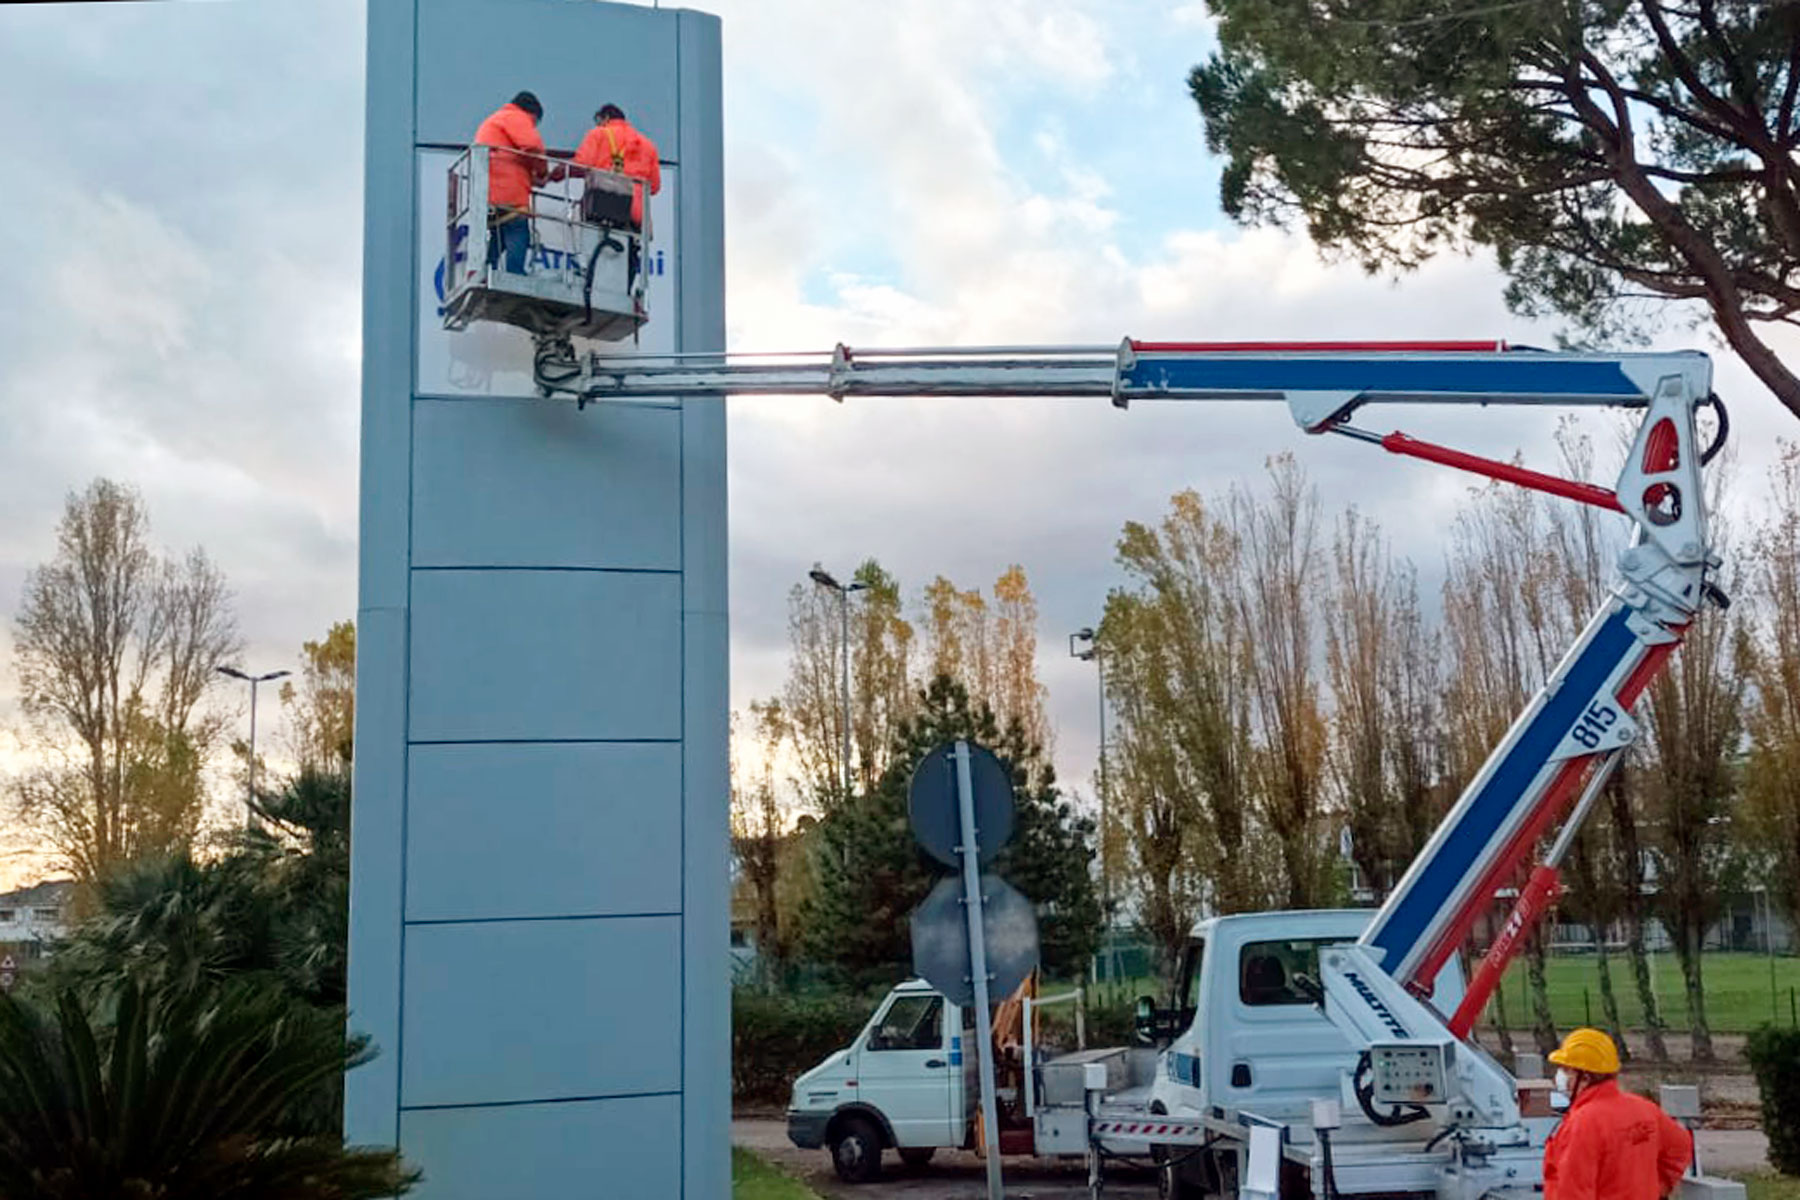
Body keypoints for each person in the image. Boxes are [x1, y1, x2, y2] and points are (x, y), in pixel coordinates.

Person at [1542, 1028, 1692, 1200]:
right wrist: (1656, 1188)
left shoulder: (1582, 1123)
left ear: (1585, 1077)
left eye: (1566, 1070)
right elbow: (1680, 1146)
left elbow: (1572, 1191)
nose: (1560, 1076)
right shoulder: (1644, 1109)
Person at [473, 91, 547, 273]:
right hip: (509, 195)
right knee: (518, 233)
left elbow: (509, 156)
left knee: (498, 236)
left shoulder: (494, 121)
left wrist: (531, 177)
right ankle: (516, 275)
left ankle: (485, 271)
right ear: (531, 113)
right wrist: (542, 171)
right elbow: (533, 146)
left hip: (489, 193)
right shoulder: (516, 117)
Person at [571, 103, 661, 228]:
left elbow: (581, 164)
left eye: (599, 122)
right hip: (636, 216)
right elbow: (654, 187)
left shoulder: (598, 134)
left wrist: (557, 173)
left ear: (606, 118)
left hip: (602, 207)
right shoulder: (648, 145)